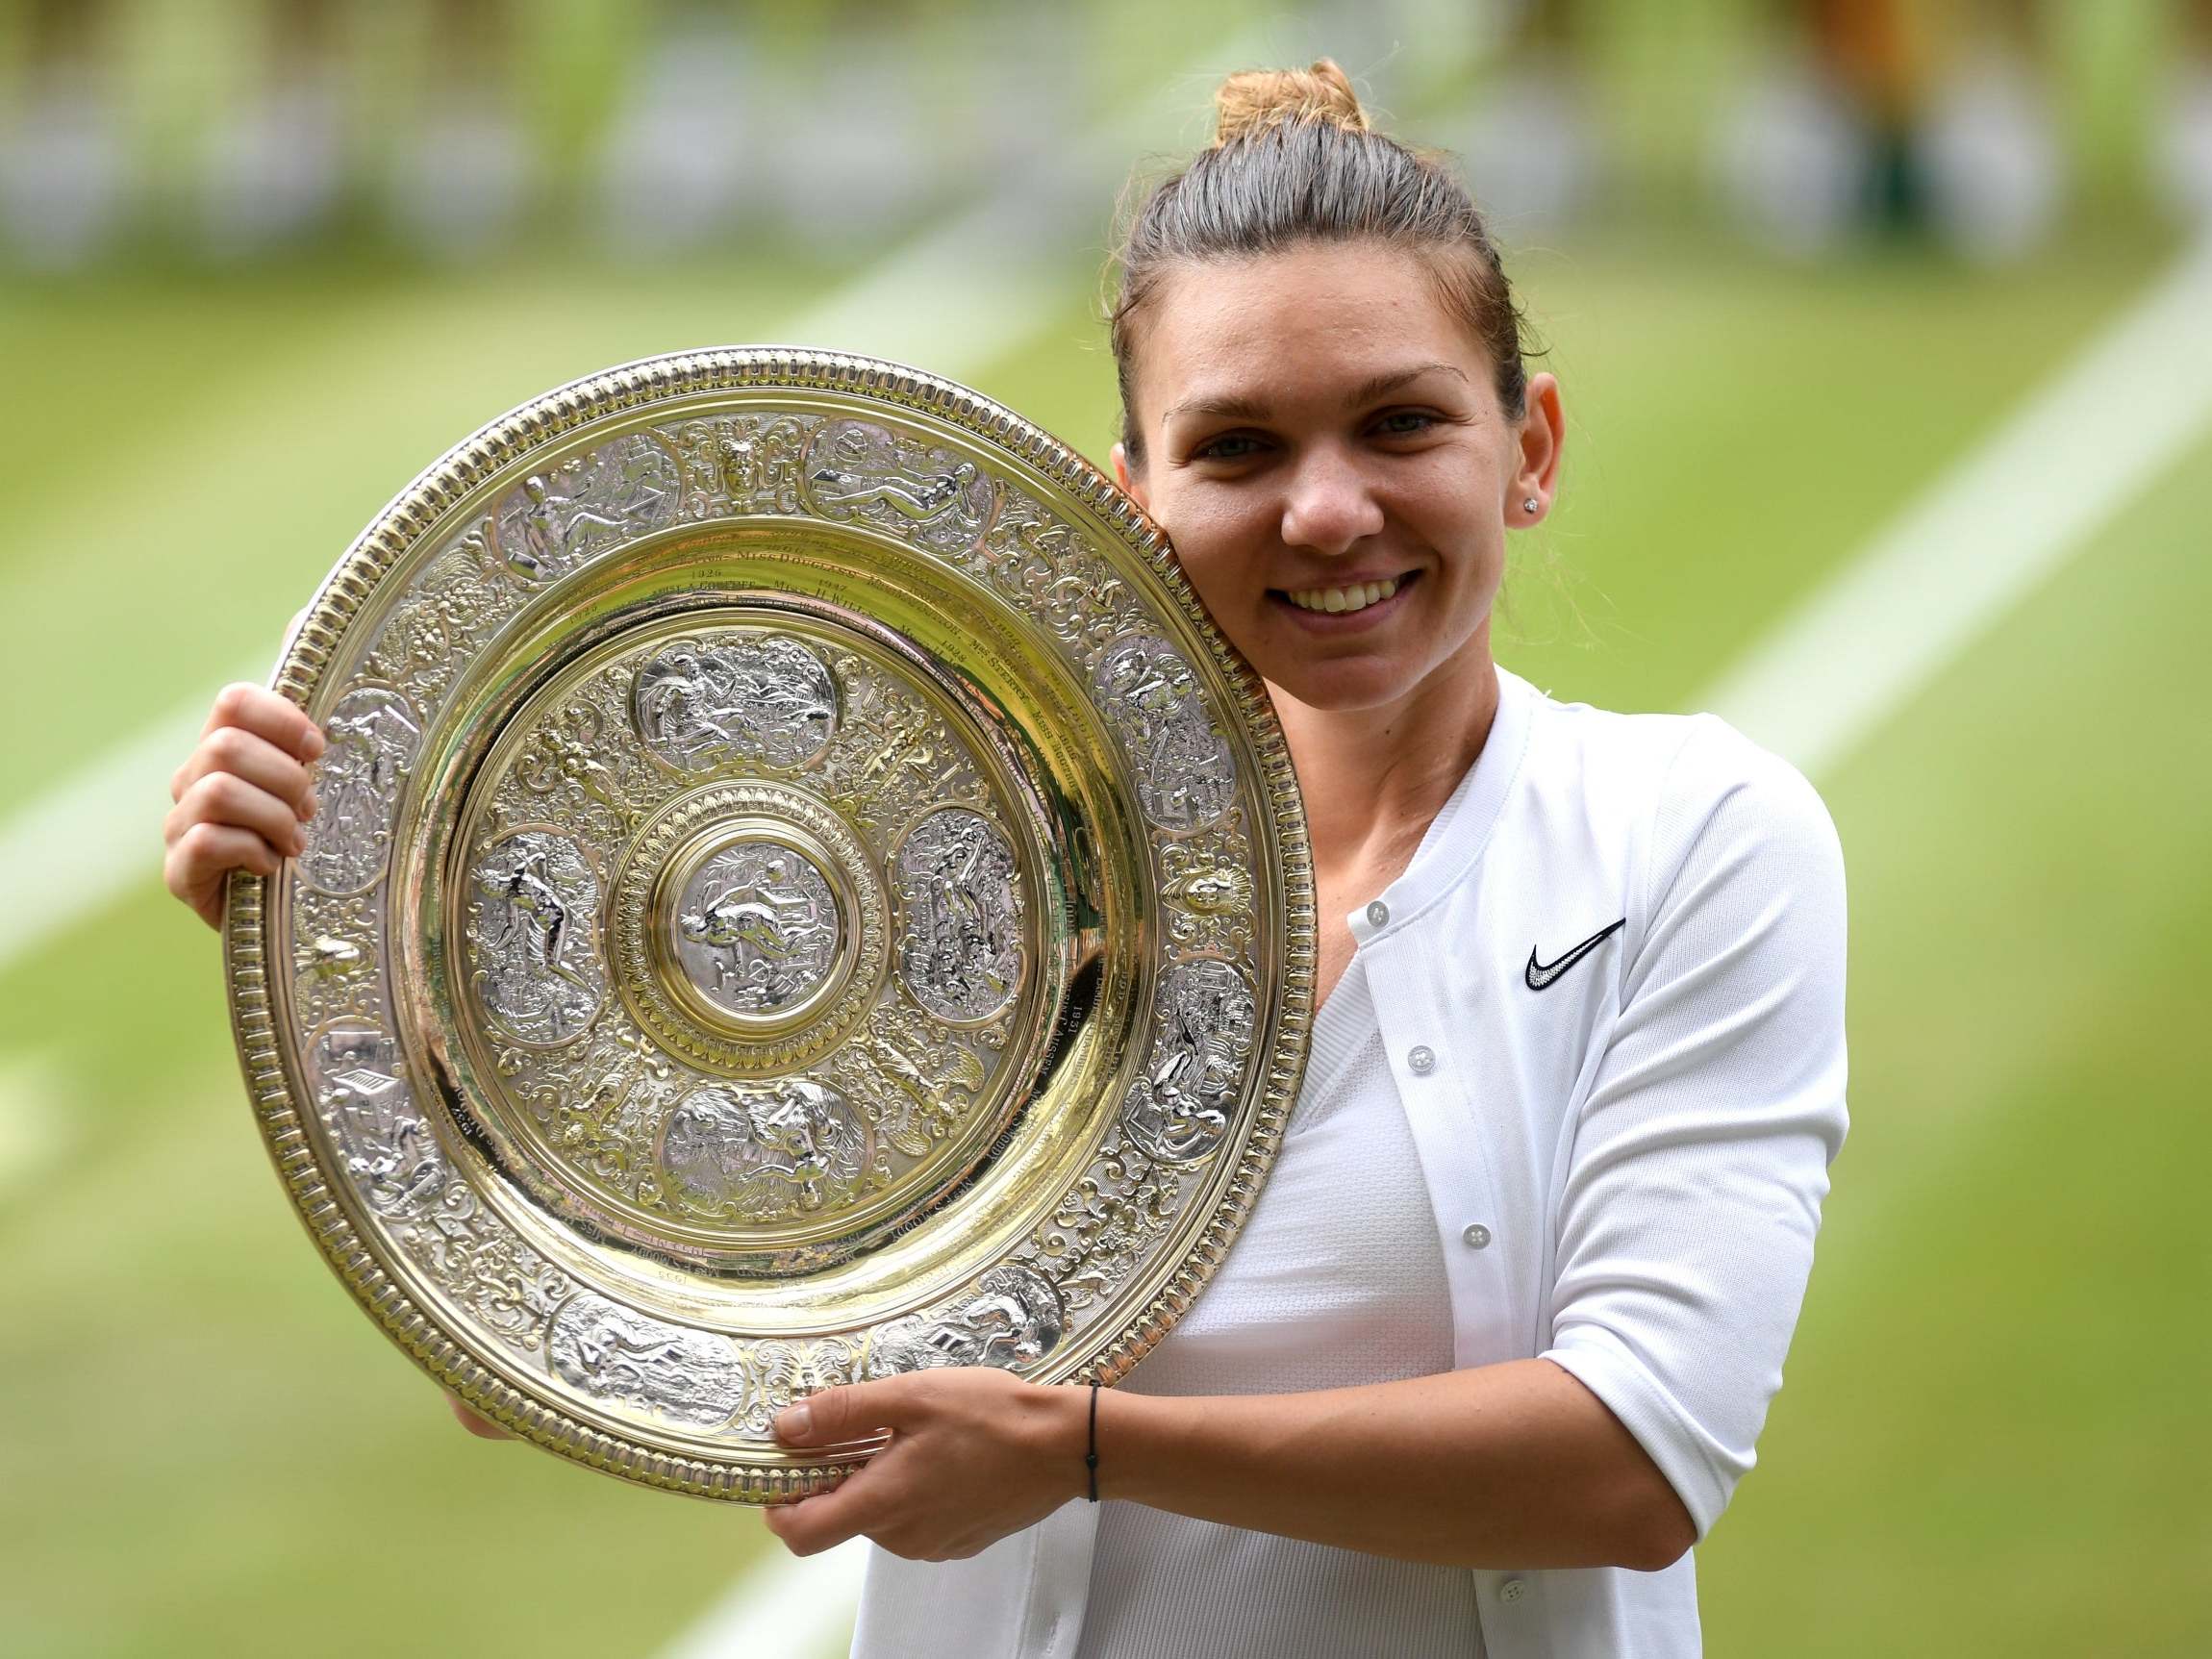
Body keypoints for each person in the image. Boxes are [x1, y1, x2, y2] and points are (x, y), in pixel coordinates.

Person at [161, 60, 1848, 1659]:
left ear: (1528, 448)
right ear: (1130, 493)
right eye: (1239, 447)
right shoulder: (953, 894)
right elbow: (617, 1352)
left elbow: (1631, 1460)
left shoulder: (1693, 838)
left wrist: (1088, 1447)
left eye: (1400, 426)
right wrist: (324, 926)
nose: (1328, 511)